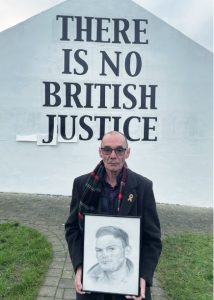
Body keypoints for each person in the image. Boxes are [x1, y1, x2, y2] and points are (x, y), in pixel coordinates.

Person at [65, 131, 162, 300]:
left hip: (129, 287)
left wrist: (144, 277)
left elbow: (152, 238)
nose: (113, 155)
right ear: (100, 152)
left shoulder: (143, 187)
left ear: (128, 153)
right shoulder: (82, 185)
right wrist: (79, 266)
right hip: (92, 286)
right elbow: (72, 228)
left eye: (119, 150)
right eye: (107, 150)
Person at [86, 226, 134, 290]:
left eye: (111, 249)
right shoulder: (89, 279)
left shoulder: (136, 278)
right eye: (99, 250)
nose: (104, 255)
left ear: (127, 251)